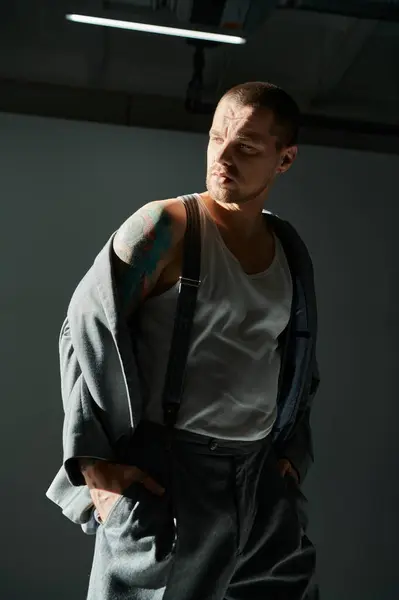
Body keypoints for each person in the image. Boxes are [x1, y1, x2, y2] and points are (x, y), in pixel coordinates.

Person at [47, 81, 320, 599]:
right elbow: (80, 332)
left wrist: (289, 459)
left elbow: (298, 362)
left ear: (284, 160)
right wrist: (91, 462)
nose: (223, 156)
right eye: (216, 138)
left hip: (259, 480)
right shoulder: (166, 228)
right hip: (173, 477)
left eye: (246, 147)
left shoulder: (289, 250)